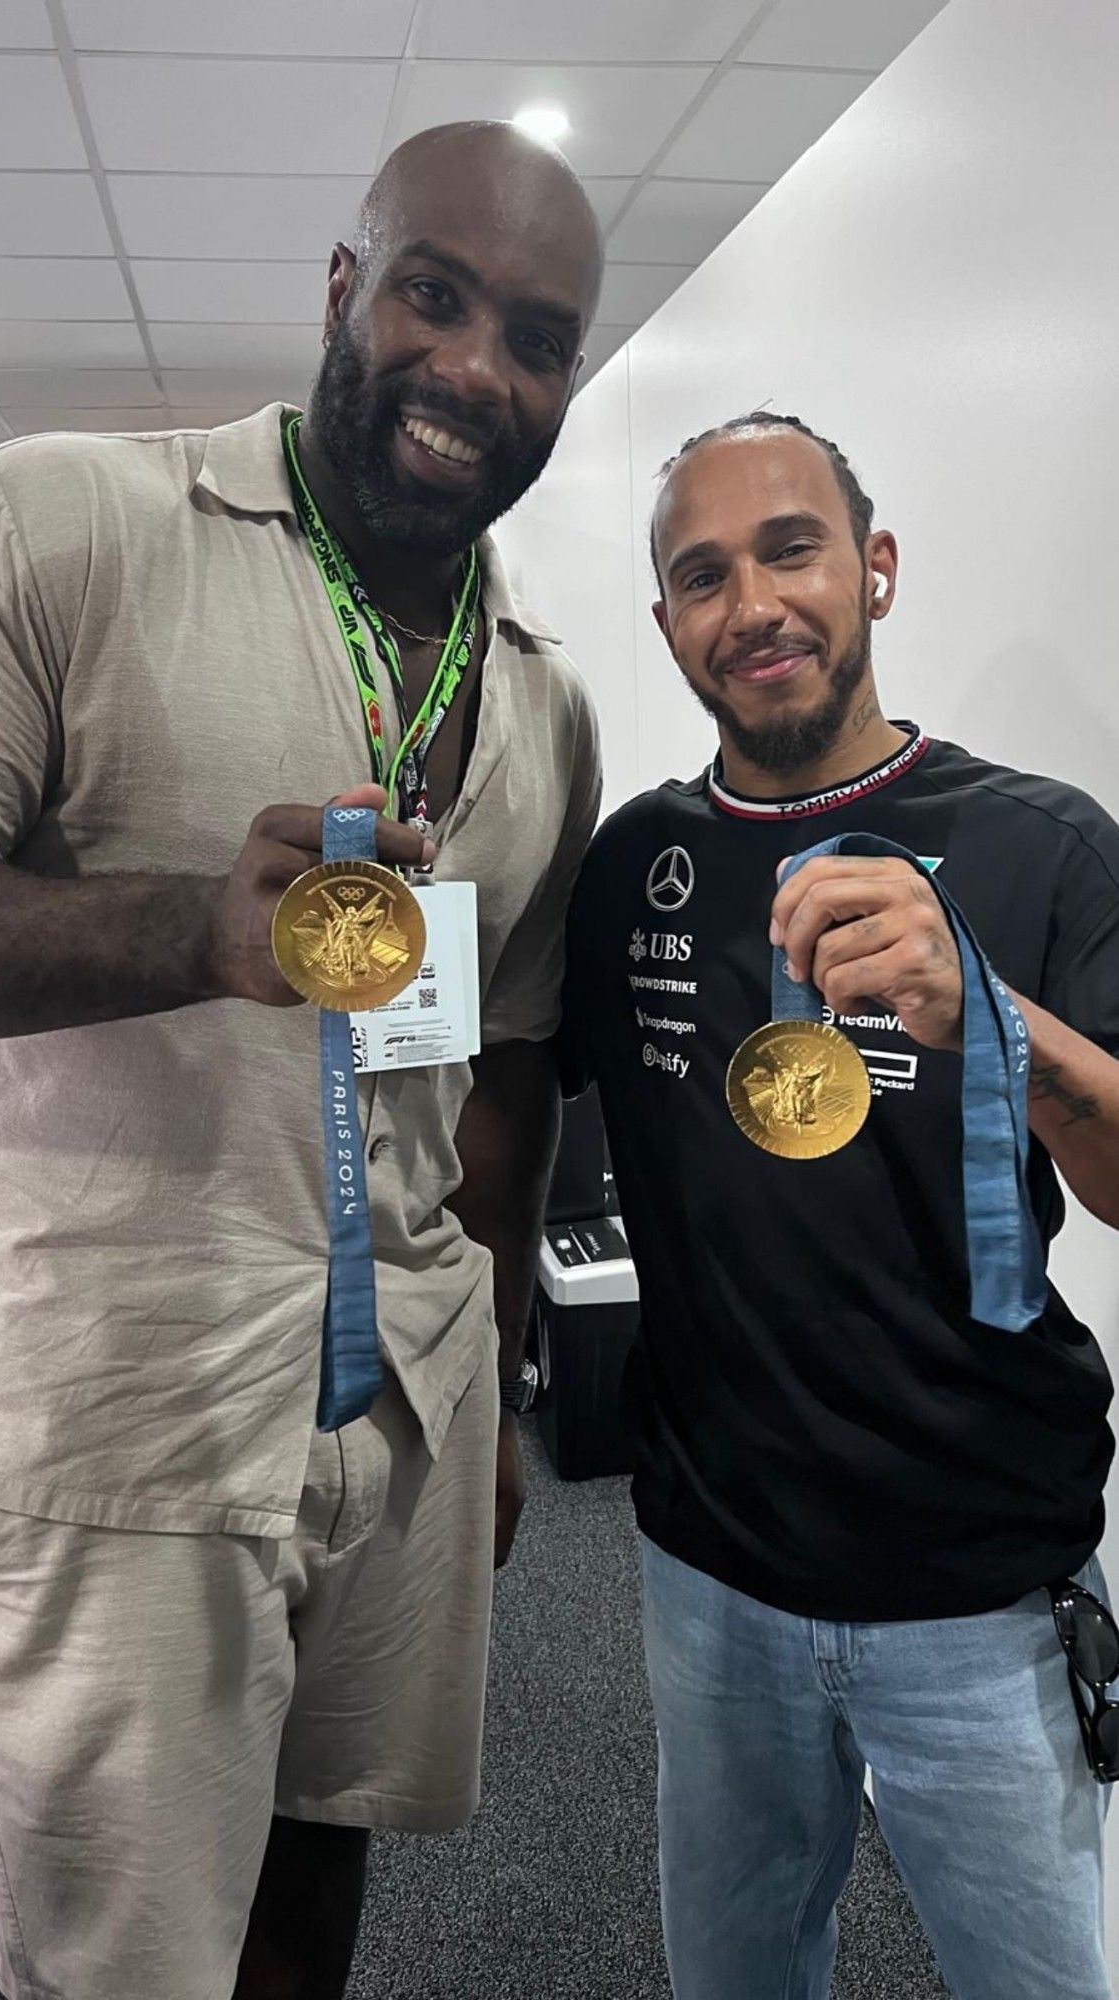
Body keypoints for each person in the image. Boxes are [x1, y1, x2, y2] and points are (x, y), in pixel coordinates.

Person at [0, 122, 603, 2000]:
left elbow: (500, 1078)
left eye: (536, 336)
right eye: (435, 293)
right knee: (107, 1943)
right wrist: (195, 928)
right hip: (135, 1398)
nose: (474, 369)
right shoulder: (70, 524)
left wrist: (492, 1382)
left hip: (403, 1401)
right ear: (346, 289)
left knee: (314, 1884)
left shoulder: (538, 692)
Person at [562, 411, 1119, 2000]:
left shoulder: (1039, 842)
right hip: (706, 1573)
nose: (752, 603)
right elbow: (514, 1110)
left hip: (975, 1589)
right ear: (666, 624)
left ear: (872, 568)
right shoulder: (634, 866)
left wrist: (996, 1019)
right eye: (699, 574)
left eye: (790, 548)